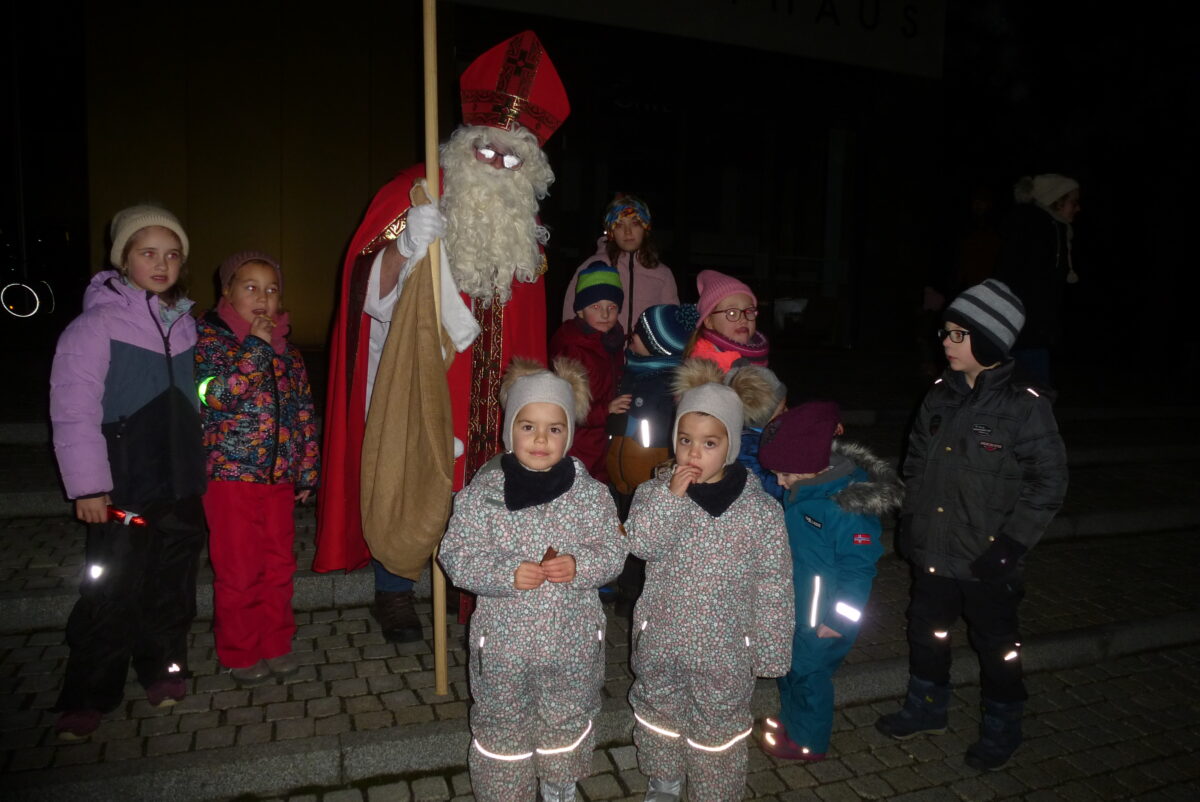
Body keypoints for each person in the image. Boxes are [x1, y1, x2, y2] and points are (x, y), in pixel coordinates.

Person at [314, 30, 570, 642]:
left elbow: (529, 318)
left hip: (493, 386)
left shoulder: (525, 225)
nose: (498, 165)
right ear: (465, 143)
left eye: (513, 159)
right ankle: (394, 588)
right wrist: (404, 246)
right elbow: (363, 294)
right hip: (420, 372)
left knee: (487, 485)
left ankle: (477, 590)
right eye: (488, 151)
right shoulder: (417, 192)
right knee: (407, 473)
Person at [874, 279, 1068, 772]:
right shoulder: (939, 396)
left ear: (989, 341)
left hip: (988, 558)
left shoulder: (1025, 405)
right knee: (927, 631)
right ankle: (926, 707)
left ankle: (1003, 725)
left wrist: (1012, 545)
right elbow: (916, 462)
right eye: (945, 332)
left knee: (997, 646)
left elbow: (1049, 482)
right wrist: (911, 519)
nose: (945, 342)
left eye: (958, 335)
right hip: (935, 551)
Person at [48, 205, 207, 740]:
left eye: (172, 254)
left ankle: (163, 667)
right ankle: (89, 693)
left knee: (173, 586)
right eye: (148, 253)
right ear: (123, 259)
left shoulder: (185, 325)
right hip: (124, 488)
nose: (162, 264)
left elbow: (197, 400)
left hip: (180, 484)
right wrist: (89, 485)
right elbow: (73, 409)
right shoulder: (94, 327)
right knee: (112, 590)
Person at [439, 358, 625, 802]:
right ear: (510, 431)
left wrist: (581, 566)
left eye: (554, 428)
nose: (541, 439)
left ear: (569, 434)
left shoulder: (591, 495)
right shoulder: (482, 495)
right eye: (528, 427)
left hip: (572, 645)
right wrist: (504, 573)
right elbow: (456, 554)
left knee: (567, 722)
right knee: (502, 729)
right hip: (504, 650)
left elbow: (615, 550)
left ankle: (560, 788)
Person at [625, 361, 793, 801]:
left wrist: (771, 649)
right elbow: (640, 544)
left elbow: (774, 584)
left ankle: (713, 791)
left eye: (709, 443)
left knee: (719, 730)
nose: (693, 453)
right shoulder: (654, 494)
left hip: (725, 651)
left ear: (731, 445)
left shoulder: (760, 512)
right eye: (685, 440)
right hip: (662, 640)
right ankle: (663, 779)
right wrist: (671, 500)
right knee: (658, 715)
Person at [195, 251, 320, 684]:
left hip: (278, 479)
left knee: (279, 566)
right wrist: (256, 349)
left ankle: (276, 642)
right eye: (251, 288)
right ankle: (240, 649)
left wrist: (307, 469)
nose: (263, 298)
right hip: (230, 479)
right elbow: (217, 396)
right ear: (227, 292)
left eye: (271, 289)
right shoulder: (210, 342)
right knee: (239, 569)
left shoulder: (290, 354)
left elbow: (303, 413)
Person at [755, 401, 902, 762]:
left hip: (823, 619)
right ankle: (793, 722)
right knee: (790, 669)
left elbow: (859, 572)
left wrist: (840, 620)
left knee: (809, 675)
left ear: (811, 465)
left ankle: (809, 742)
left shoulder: (845, 508)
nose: (779, 482)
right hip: (796, 608)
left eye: (784, 474)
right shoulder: (805, 489)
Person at [603, 303, 696, 611]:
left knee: (641, 538)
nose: (632, 335)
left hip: (647, 476)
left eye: (640, 333)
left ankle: (632, 596)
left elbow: (662, 433)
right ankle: (622, 585)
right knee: (623, 531)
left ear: (658, 344)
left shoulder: (668, 384)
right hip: (623, 473)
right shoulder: (634, 370)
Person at [993, 173, 1082, 385]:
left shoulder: (1047, 227)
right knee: (1032, 393)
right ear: (1056, 200)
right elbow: (1030, 283)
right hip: (1027, 332)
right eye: (1073, 202)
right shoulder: (1040, 228)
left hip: (1025, 331)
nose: (1078, 208)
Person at [549, 262, 628, 481]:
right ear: (580, 311)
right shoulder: (572, 347)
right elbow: (567, 407)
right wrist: (606, 410)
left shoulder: (612, 342)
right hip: (578, 445)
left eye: (612, 307)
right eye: (595, 306)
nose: (605, 313)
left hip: (602, 441)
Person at [560, 193, 678, 336]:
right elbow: (570, 317)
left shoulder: (663, 274)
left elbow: (672, 323)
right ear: (611, 231)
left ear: (645, 228)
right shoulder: (592, 267)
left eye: (635, 223)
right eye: (619, 225)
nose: (628, 232)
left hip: (645, 350)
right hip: (599, 349)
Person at [725, 364, 788, 502]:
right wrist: (795, 482)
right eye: (781, 411)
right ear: (761, 419)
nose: (787, 412)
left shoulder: (764, 435)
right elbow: (768, 486)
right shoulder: (746, 448)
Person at [684, 269, 769, 371]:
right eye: (732, 313)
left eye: (749, 311)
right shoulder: (707, 363)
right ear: (709, 321)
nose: (743, 319)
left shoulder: (756, 351)